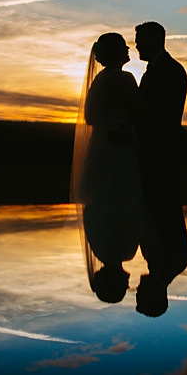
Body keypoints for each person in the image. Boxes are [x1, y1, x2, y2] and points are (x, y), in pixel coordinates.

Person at [71, 32, 146, 303]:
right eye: (124, 47)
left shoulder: (100, 81)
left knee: (106, 198)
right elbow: (142, 114)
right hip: (118, 150)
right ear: (115, 52)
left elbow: (91, 117)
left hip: (102, 148)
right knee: (120, 199)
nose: (129, 50)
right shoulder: (122, 79)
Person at [133, 21, 187, 317]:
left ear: (155, 39)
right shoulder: (172, 263)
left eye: (140, 40)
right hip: (158, 158)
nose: (136, 45)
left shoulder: (169, 70)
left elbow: (159, 118)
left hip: (161, 158)